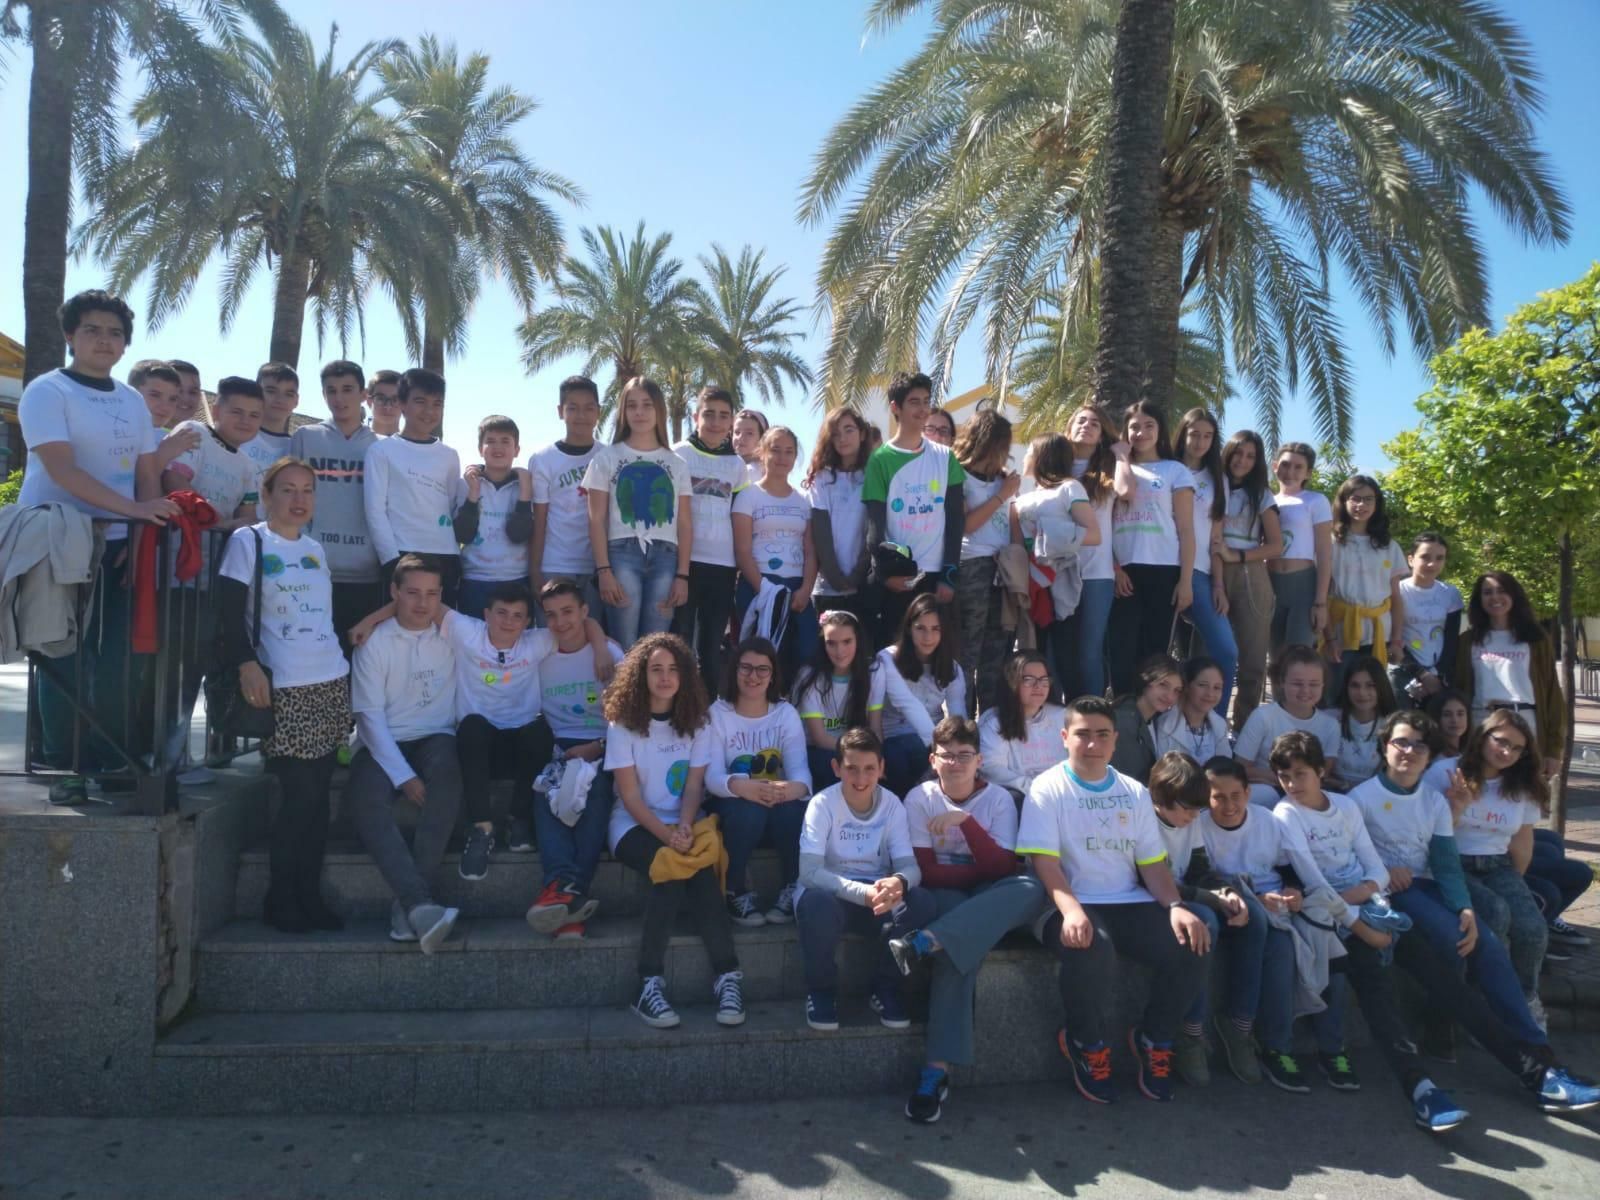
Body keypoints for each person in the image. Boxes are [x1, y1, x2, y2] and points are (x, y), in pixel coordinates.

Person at [1350, 711, 1600, 1122]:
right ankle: (1533, 1067)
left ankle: (1541, 1057)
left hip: (1429, 886)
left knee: (1486, 943)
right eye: (1401, 742)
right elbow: (1349, 856)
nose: (1409, 751)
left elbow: (1446, 862)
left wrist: (1464, 906)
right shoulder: (1360, 798)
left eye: (1419, 745)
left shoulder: (1433, 801)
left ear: (1429, 755)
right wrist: (1381, 869)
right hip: (1394, 894)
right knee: (1459, 945)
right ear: (1384, 746)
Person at [17, 289, 181, 802]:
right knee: (61, 656)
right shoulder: (47, 392)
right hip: (57, 541)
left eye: (114, 332)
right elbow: (62, 470)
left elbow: (147, 474)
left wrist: (141, 536)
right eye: (92, 329)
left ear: (125, 343)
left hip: (118, 545)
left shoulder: (131, 400)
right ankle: (64, 768)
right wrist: (132, 510)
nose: (104, 340)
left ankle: (112, 760)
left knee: (114, 661)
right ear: (71, 336)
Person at [1017, 696, 1211, 1103]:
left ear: (1115, 739)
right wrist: (1072, 912)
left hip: (1127, 901)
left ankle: (1154, 1038)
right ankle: (1085, 1042)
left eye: (1102, 734)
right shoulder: (1046, 788)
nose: (1093, 744)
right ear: (1064, 737)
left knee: (1193, 939)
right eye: (1083, 734)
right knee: (1092, 946)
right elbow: (1045, 864)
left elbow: (1152, 865)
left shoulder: (1134, 791)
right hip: (1064, 902)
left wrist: (1177, 907)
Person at [216, 458, 351, 933]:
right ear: (267, 493)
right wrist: (246, 664)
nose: (299, 499)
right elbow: (227, 613)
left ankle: (309, 896)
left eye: (307, 490)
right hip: (284, 686)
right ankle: (281, 899)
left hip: (329, 680)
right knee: (299, 798)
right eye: (288, 489)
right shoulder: (248, 541)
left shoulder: (315, 549)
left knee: (319, 801)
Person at [603, 632, 745, 1029]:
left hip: (683, 820)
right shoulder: (622, 725)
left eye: (673, 669)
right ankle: (647, 983)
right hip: (633, 824)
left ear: (685, 675)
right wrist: (668, 837)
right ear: (641, 675)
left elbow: (694, 787)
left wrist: (683, 826)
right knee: (670, 869)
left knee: (700, 872)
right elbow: (630, 797)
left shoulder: (698, 722)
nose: (665, 678)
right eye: (656, 669)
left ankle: (728, 977)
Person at [892, 715, 1026, 1121]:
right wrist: (978, 870)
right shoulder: (919, 798)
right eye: (947, 755)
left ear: (979, 760)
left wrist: (965, 823)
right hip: (949, 896)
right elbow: (926, 871)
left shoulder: (999, 800)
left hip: (989, 894)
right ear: (933, 760)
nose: (955, 763)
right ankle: (935, 1070)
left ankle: (925, 941)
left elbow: (1004, 868)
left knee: (1030, 887)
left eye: (964, 755)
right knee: (958, 942)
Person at [1270, 730, 1415, 1092]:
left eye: (1300, 774)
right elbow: (1315, 884)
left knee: (1405, 951)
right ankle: (1333, 1050)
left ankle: (1413, 1050)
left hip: (1359, 901)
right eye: (1284, 776)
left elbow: (1377, 870)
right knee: (1341, 965)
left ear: (1320, 771)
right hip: (1322, 908)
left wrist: (1362, 893)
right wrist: (1359, 921)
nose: (1292, 784)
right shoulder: (1286, 813)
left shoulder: (1346, 807)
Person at [1198, 755, 1341, 1093]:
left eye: (1236, 796)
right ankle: (1254, 1034)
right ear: (1207, 797)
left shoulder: (1267, 821)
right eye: (1219, 797)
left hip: (1275, 906)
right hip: (1230, 903)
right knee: (1273, 939)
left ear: (1248, 793)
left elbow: (1288, 869)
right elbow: (1203, 877)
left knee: (1289, 948)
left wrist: (1294, 891)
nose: (1229, 806)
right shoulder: (1199, 826)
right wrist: (1255, 901)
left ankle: (1280, 1047)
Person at [346, 556, 462, 954]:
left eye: (432, 594)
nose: (422, 603)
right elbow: (369, 719)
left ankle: (410, 906)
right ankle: (418, 904)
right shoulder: (374, 643)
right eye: (412, 592)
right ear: (394, 592)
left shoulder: (453, 635)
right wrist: (404, 777)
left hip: (436, 736)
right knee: (365, 799)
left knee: (448, 774)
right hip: (382, 740)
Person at [158, 377, 265, 783]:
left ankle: (176, 757)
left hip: (211, 582)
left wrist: (230, 525)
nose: (245, 420)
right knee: (170, 673)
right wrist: (219, 522)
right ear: (216, 410)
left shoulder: (248, 465)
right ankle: (162, 761)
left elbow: (248, 516)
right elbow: (175, 482)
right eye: (236, 411)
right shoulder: (194, 434)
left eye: (254, 415)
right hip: (173, 576)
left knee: (194, 671)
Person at [796, 727, 936, 1033]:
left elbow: (911, 867)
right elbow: (809, 872)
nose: (861, 778)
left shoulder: (892, 805)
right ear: (836, 768)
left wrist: (899, 882)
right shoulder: (822, 804)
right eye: (852, 768)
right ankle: (821, 991)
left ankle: (887, 986)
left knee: (923, 902)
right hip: (833, 896)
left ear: (882, 768)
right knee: (816, 904)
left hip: (877, 898)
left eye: (870, 768)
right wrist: (863, 893)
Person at [1425, 710, 1550, 1017]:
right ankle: (1488, 1002)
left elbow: (1522, 840)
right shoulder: (1445, 772)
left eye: (1517, 748)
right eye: (1501, 742)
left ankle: (1525, 1000)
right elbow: (1425, 833)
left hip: (1498, 864)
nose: (1507, 752)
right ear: (1483, 737)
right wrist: (1455, 807)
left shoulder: (1521, 785)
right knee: (1495, 913)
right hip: (1451, 861)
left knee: (1532, 927)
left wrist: (1516, 885)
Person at [523, 581, 626, 939]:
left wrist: (598, 746)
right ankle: (568, 897)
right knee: (544, 792)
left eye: (568, 611)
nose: (560, 622)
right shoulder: (539, 652)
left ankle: (562, 891)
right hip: (558, 749)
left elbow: (629, 721)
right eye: (551, 615)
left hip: (605, 745)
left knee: (594, 797)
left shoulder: (610, 654)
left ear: (584, 611)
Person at [1145, 752, 1254, 1087]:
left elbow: (1199, 871)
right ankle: (1190, 1032)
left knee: (1255, 919)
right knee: (1206, 921)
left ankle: (1240, 1026)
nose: (1194, 817)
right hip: (1151, 900)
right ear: (1161, 798)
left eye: (1198, 810)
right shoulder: (1143, 820)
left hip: (1186, 895)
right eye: (1188, 809)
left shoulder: (1188, 820)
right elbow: (1152, 880)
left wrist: (1226, 893)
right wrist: (1211, 899)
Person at [705, 637, 813, 927]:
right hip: (734, 804)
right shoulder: (717, 713)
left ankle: (792, 887)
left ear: (773, 674)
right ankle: (734, 890)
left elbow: (801, 775)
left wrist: (787, 790)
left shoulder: (786, 714)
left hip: (776, 801)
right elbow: (711, 777)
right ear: (734, 670)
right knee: (748, 811)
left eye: (762, 669)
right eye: (746, 668)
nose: (753, 676)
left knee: (793, 809)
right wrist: (744, 788)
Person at [583, 377, 692, 645]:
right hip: (621, 554)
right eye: (632, 406)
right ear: (623, 411)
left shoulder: (677, 463)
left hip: (666, 556)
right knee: (625, 645)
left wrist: (682, 575)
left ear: (660, 410)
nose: (639, 412)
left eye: (647, 405)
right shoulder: (606, 458)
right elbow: (596, 519)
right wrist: (604, 570)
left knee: (656, 646)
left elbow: (684, 523)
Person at [862, 371, 966, 644]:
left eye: (926, 401)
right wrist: (885, 574)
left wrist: (948, 575)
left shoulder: (946, 457)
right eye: (914, 402)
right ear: (895, 407)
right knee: (896, 655)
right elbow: (874, 527)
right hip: (900, 577)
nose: (922, 409)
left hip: (936, 576)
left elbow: (956, 520)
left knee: (935, 658)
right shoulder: (880, 460)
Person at [291, 360, 382, 655]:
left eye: (347, 389)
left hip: (366, 575)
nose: (339, 398)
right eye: (331, 391)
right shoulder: (305, 437)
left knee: (358, 661)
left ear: (363, 395)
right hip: (311, 570)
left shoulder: (381, 446)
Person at [1108, 400, 1195, 697]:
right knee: (1120, 649)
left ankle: (1149, 715)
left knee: (1154, 653)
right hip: (1122, 572)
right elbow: (1109, 514)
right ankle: (1123, 710)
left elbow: (1186, 529)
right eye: (1134, 427)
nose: (1141, 432)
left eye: (1149, 426)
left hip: (1163, 570)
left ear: (1160, 430)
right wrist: (1115, 568)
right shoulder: (1115, 468)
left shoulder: (1175, 470)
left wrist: (1185, 581)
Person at [363, 368, 465, 603]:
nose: (429, 411)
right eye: (420, 402)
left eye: (437, 404)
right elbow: (375, 511)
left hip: (446, 557)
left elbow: (451, 507)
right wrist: (391, 562)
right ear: (402, 404)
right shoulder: (381, 451)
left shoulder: (450, 455)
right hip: (401, 556)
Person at [1011, 433, 1098, 702]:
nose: (1025, 456)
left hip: (1059, 584)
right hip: (1029, 586)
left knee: (1066, 657)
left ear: (1042, 456)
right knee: (1032, 656)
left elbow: (1093, 534)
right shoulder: (1022, 496)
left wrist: (1048, 536)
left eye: (1030, 450)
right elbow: (1016, 543)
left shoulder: (1070, 488)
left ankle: (1080, 716)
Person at [1455, 571, 1564, 779]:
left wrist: (1553, 749)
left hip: (1525, 721)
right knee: (1479, 790)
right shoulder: (1468, 641)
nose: (1495, 597)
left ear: (1514, 595)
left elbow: (1552, 692)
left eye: (1502, 591)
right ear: (1479, 600)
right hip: (1482, 722)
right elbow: (1459, 688)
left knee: (1523, 790)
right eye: (1487, 592)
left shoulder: (1535, 639)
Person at [672, 386, 746, 687]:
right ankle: (678, 707)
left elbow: (739, 518)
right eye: (709, 414)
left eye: (723, 416)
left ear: (731, 421)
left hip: (722, 567)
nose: (716, 422)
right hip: (684, 563)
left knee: (712, 648)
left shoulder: (737, 465)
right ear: (695, 417)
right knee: (680, 644)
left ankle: (709, 707)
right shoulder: (678, 454)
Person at [732, 425, 819, 676]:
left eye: (789, 451)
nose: (782, 457)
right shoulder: (748, 496)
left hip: (797, 589)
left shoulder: (803, 500)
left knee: (804, 656)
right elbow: (742, 550)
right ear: (763, 452)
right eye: (776, 450)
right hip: (758, 586)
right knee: (761, 660)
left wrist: (806, 589)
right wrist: (766, 590)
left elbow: (810, 551)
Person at [1217, 430, 1284, 731]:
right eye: (1238, 453)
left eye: (1250, 456)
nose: (1242, 460)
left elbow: (1276, 545)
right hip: (1210, 571)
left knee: (1253, 657)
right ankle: (1207, 725)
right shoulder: (1211, 485)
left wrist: (1238, 556)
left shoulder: (1261, 494)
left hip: (1250, 573)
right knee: (1207, 653)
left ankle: (1244, 727)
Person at [952, 409, 1018, 712]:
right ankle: (963, 722)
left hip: (1002, 570)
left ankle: (992, 720)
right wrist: (1002, 495)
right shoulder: (958, 474)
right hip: (972, 567)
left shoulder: (1002, 479)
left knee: (997, 653)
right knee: (968, 652)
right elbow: (966, 524)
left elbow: (1011, 523)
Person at [1173, 409, 1239, 709]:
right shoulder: (1166, 467)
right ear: (1183, 434)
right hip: (1162, 568)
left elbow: (1216, 536)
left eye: (1208, 436)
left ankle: (1214, 720)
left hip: (1199, 572)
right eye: (1194, 434)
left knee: (1226, 650)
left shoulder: (1218, 479)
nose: (1200, 442)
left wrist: (1218, 584)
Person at [1054, 406, 1119, 699]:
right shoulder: (1054, 467)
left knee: (1089, 652)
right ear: (1069, 427)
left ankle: (1092, 712)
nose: (1087, 426)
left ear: (1102, 433)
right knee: (1055, 650)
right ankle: (1055, 714)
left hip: (1097, 573)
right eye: (1080, 420)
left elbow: (1125, 499)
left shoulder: (1110, 471)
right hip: (1056, 571)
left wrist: (1122, 455)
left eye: (1095, 423)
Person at [877, 594, 966, 799]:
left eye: (935, 629)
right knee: (905, 753)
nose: (928, 637)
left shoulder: (952, 668)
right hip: (894, 735)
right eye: (921, 628)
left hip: (934, 737)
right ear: (909, 628)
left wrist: (960, 751)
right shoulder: (887, 659)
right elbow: (907, 704)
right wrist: (941, 751)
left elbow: (958, 715)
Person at [529, 375, 604, 618]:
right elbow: (539, 519)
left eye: (588, 408)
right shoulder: (543, 459)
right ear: (560, 411)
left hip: (596, 568)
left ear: (599, 412)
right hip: (555, 565)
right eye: (573, 408)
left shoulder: (608, 456)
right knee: (553, 636)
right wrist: (535, 571)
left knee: (593, 634)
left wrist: (606, 568)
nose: (581, 415)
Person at [1326, 475, 1407, 692]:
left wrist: (1396, 640)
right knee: (1336, 694)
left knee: (1373, 696)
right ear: (1344, 501)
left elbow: (1395, 598)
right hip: (1341, 635)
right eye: (1355, 498)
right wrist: (1329, 638)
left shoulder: (1388, 546)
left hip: (1378, 636)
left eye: (1368, 499)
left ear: (1377, 503)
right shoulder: (1331, 542)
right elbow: (1323, 594)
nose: (1361, 505)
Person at [1234, 644, 1341, 804]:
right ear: (1281, 682)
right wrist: (1284, 779)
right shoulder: (1262, 716)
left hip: (1308, 794)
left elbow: (1323, 772)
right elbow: (1240, 767)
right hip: (1266, 791)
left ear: (1323, 685)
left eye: (1313, 684)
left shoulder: (1331, 725)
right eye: (1297, 684)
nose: (1305, 690)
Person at [793, 609, 885, 787]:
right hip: (820, 751)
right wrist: (858, 756)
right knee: (836, 767)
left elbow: (875, 727)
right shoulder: (809, 676)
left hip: (858, 750)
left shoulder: (874, 671)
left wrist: (875, 758)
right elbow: (819, 738)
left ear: (858, 640)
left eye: (847, 641)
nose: (840, 651)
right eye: (831, 643)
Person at [453, 416, 534, 618]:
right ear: (480, 449)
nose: (498, 447)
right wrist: (473, 494)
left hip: (516, 578)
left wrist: (525, 492)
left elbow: (518, 534)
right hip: (475, 579)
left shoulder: (527, 486)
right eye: (490, 441)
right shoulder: (464, 484)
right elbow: (463, 535)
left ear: (517, 450)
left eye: (505, 441)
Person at [1267, 442, 1332, 663]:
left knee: (1298, 656)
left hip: (1303, 587)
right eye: (1285, 465)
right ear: (1275, 466)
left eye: (1298, 467)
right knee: (1275, 658)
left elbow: (1324, 553)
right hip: (1270, 584)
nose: (1290, 472)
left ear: (1308, 473)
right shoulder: (1266, 500)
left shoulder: (1315, 501)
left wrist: (1320, 602)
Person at [803, 407, 872, 614]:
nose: (842, 438)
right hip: (827, 587)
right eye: (835, 434)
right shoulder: (821, 478)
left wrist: (857, 575)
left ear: (862, 434)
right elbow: (820, 531)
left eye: (849, 430)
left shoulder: (873, 475)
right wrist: (836, 578)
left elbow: (874, 529)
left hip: (863, 585)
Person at [977, 651, 1067, 801]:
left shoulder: (1063, 716)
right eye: (1029, 680)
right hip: (1020, 795)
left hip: (1062, 793)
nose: (1038, 686)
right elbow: (990, 767)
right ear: (1011, 682)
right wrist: (1034, 788)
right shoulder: (993, 722)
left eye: (1044, 680)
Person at [1391, 532, 1462, 705]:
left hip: (1440, 677)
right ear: (1411, 560)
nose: (1432, 564)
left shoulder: (1451, 594)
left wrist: (1437, 676)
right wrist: (1420, 674)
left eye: (1439, 558)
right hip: (1404, 672)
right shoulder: (1396, 592)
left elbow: (1451, 640)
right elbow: (1391, 639)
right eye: (1425, 557)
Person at [1109, 653, 1182, 783]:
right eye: (1163, 685)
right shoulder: (1123, 721)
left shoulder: (1155, 720)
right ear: (1146, 681)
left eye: (1176, 690)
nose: (1170, 696)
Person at [1328, 655, 1396, 790]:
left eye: (1370, 685)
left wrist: (1348, 786)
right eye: (1355, 685)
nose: (1362, 693)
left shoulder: (1394, 726)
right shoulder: (1329, 719)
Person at [1152, 657, 1231, 765]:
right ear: (1187, 686)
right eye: (1202, 685)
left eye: (1217, 687)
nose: (1210, 694)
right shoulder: (1165, 725)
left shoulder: (1220, 725)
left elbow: (1226, 767)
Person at [239, 362, 299, 476]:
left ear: (296, 400)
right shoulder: (236, 436)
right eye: (271, 391)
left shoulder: (297, 450)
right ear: (257, 393)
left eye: (289, 394)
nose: (280, 399)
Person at [1425, 688, 1471, 756]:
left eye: (1460, 714)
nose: (1455, 720)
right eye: (1447, 715)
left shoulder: (1472, 752)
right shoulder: (1430, 755)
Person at [732, 407, 769, 484]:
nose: (741, 437)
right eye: (737, 432)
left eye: (749, 433)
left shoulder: (752, 472)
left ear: (762, 439)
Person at [168, 359, 206, 427]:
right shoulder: (147, 431)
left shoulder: (203, 432)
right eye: (178, 391)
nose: (185, 398)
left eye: (193, 392)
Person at [365, 369, 402, 436]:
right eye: (381, 399)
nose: (388, 407)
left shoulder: (415, 442)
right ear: (369, 401)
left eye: (395, 400)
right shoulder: (356, 442)